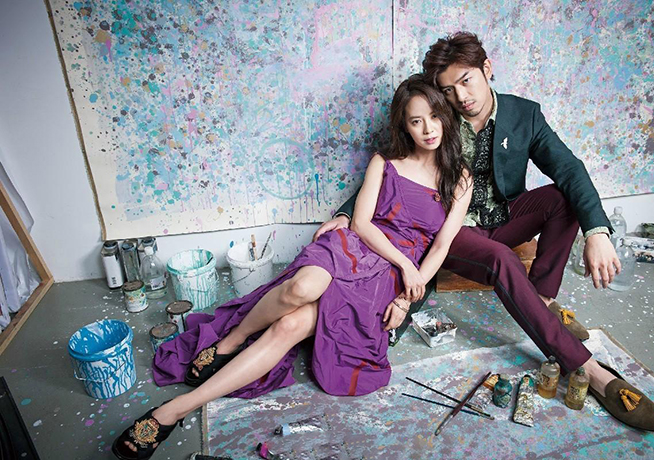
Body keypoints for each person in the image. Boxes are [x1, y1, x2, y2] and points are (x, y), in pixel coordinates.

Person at [314, 32, 654, 432]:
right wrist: (346, 215)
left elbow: (569, 169)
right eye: (449, 89)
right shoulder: (438, 117)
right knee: (500, 259)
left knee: (562, 198)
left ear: (487, 69)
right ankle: (590, 370)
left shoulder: (524, 114)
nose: (460, 96)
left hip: (504, 217)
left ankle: (542, 300)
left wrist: (597, 232)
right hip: (452, 230)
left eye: (466, 81)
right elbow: (395, 166)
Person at [111, 75, 473, 459]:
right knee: (301, 288)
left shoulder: (459, 178)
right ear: (405, 126)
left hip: (386, 278)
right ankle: (229, 342)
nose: (428, 129)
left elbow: (441, 246)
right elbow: (362, 223)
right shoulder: (385, 163)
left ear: (445, 116)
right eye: (416, 121)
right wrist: (404, 263)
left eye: (434, 116)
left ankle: (173, 411)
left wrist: (405, 296)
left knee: (289, 326)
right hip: (360, 246)